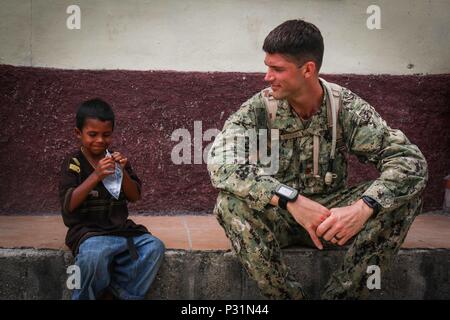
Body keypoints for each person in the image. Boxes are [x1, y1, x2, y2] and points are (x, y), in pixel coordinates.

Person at [207, 19, 428, 299]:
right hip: (281, 215)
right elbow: (221, 163)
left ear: (308, 69)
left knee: (404, 199)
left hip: (333, 218)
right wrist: (291, 199)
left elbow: (410, 161)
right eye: (267, 66)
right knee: (229, 204)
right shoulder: (260, 109)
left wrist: (362, 209)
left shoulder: (343, 107)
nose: (267, 77)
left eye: (277, 69)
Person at [59, 98, 165, 300]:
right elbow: (69, 205)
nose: (100, 140)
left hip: (121, 231)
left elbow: (135, 196)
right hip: (89, 234)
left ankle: (122, 293)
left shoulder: (116, 159)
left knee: (154, 247)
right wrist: (95, 176)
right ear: (78, 133)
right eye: (93, 134)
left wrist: (122, 172)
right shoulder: (73, 164)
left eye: (106, 135)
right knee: (93, 255)